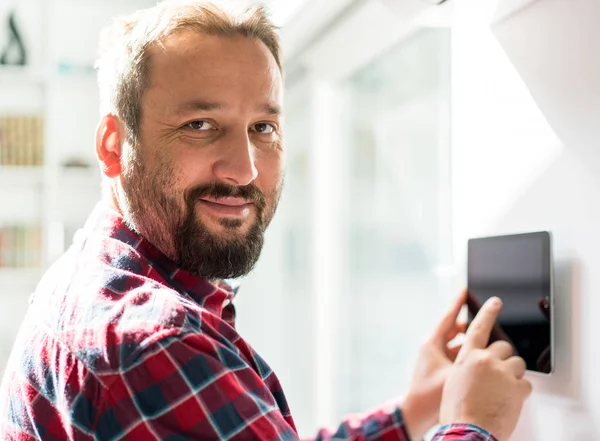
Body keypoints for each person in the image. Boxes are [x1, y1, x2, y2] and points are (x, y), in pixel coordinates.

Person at [0, 2, 532, 440]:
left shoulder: (93, 273)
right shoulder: (155, 342)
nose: (244, 169)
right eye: (201, 124)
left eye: (263, 126)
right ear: (115, 147)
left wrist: (412, 413)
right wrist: (471, 426)